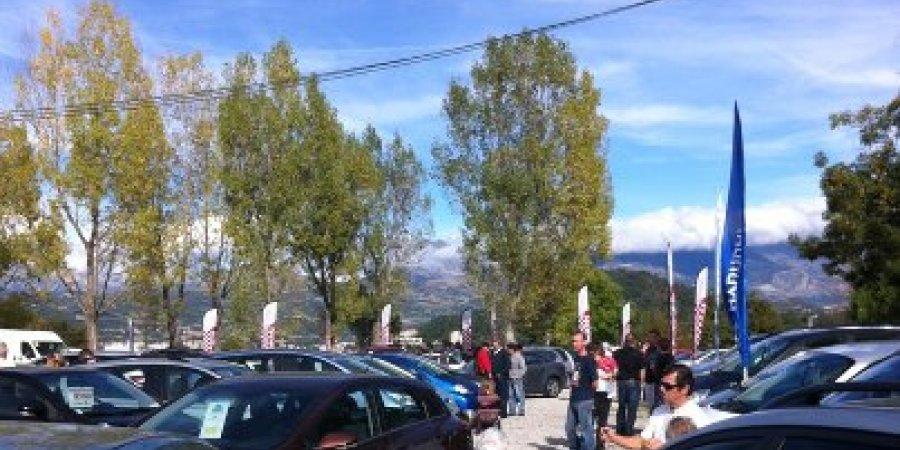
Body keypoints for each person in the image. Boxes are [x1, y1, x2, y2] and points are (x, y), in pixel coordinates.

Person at [601, 364, 714, 450]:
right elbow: (641, 441)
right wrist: (613, 437)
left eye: (667, 386)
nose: (661, 389)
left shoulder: (699, 420)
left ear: (684, 389)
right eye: (661, 384)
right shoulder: (659, 410)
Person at [566, 331, 597, 450]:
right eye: (573, 341)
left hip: (584, 399)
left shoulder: (589, 360)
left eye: (576, 341)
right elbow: (574, 377)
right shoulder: (575, 358)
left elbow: (595, 382)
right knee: (569, 428)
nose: (574, 343)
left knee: (586, 430)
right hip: (574, 398)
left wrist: (590, 397)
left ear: (584, 342)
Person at [612, 334, 643, 436]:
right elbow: (642, 370)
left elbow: (614, 368)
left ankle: (620, 428)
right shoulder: (639, 354)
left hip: (621, 381)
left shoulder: (617, 353)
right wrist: (642, 382)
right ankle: (629, 430)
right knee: (632, 407)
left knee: (621, 406)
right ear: (633, 342)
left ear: (624, 342)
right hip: (634, 382)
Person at [592, 343, 617, 447]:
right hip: (595, 392)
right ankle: (589, 442)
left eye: (596, 354)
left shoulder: (610, 360)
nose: (595, 357)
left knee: (602, 421)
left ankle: (600, 444)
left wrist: (608, 375)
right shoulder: (592, 362)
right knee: (591, 418)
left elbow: (615, 373)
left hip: (606, 393)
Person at [491, 339, 511, 418]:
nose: (494, 346)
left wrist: (502, 373)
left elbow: (508, 365)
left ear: (499, 344)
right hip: (494, 377)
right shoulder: (493, 353)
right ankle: (497, 411)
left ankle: (503, 413)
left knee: (503, 395)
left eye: (495, 344)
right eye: (493, 344)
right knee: (496, 395)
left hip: (502, 377)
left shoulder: (504, 353)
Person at [642, 330, 661, 409]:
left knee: (657, 405)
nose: (649, 339)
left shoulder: (659, 349)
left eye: (652, 337)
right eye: (649, 337)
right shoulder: (648, 350)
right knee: (650, 405)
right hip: (648, 380)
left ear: (657, 338)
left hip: (657, 381)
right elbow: (645, 363)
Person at [508, 343, 527, 416]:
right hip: (510, 378)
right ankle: (512, 410)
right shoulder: (509, 357)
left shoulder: (519, 357)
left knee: (520, 394)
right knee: (511, 395)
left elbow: (523, 368)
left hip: (517, 379)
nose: (508, 350)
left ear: (512, 349)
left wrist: (518, 376)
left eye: (508, 349)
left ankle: (521, 410)